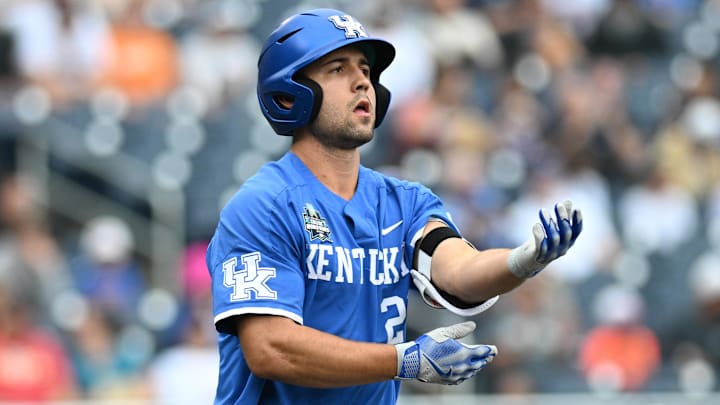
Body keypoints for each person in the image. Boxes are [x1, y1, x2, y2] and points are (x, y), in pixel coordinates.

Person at [206, 8, 583, 405]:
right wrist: (401, 360)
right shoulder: (262, 205)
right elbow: (270, 348)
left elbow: (457, 271)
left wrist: (524, 260)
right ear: (289, 93)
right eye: (338, 69)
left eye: (366, 70)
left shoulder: (404, 202)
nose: (362, 83)